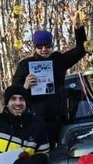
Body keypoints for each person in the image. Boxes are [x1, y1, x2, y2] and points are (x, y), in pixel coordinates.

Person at [10, 14, 87, 145]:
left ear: (51, 45)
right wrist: (26, 86)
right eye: (39, 47)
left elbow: (81, 50)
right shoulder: (25, 64)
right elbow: (13, 93)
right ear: (34, 47)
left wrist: (78, 28)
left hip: (60, 118)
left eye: (47, 46)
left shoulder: (58, 60)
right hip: (37, 119)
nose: (44, 50)